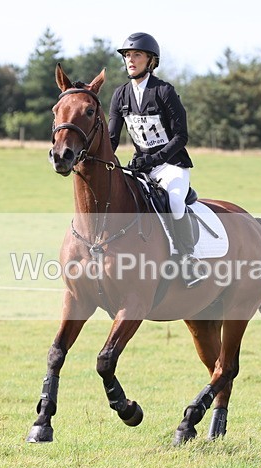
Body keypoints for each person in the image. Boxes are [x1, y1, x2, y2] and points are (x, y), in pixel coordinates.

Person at [108, 32, 208, 288]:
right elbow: (111, 138)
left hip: (171, 165)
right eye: (127, 55)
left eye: (136, 55)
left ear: (150, 60)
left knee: (174, 201)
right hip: (140, 167)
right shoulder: (120, 95)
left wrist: (154, 158)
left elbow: (181, 136)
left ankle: (188, 259)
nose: (130, 60)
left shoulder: (164, 91)